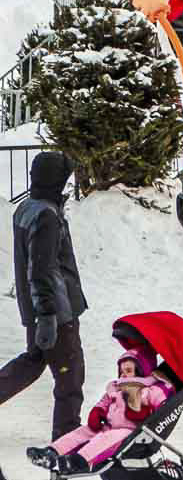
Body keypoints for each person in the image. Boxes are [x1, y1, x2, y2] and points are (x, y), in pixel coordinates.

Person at [0, 152, 86, 439]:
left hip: (38, 307)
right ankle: (67, 433)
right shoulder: (46, 215)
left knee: (32, 362)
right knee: (70, 375)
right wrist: (48, 315)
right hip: (54, 311)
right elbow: (41, 269)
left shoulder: (28, 207)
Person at [34, 347, 173, 474]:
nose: (123, 375)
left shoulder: (149, 390)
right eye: (121, 371)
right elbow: (104, 401)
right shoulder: (115, 388)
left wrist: (144, 412)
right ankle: (52, 452)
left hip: (130, 433)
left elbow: (162, 405)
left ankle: (78, 461)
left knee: (108, 439)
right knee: (84, 431)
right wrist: (98, 410)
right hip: (108, 426)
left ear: (141, 371)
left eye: (129, 371)